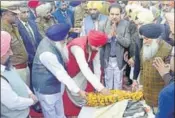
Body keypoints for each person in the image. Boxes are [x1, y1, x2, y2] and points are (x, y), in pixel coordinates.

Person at [32, 23, 86, 118]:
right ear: (60, 40)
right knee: (51, 114)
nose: (65, 42)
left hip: (55, 86)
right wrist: (78, 91)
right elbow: (62, 75)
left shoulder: (50, 39)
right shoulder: (48, 54)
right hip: (46, 90)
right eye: (64, 41)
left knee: (60, 113)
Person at [63, 30, 110, 117]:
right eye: (97, 46)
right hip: (71, 71)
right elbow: (85, 68)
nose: (98, 49)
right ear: (91, 42)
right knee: (74, 92)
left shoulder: (95, 45)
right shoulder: (78, 48)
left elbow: (97, 68)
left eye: (100, 47)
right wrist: (101, 88)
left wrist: (98, 86)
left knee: (83, 91)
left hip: (81, 71)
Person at [132, 24, 172, 113]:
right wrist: (140, 84)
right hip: (146, 94)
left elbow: (170, 78)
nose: (144, 42)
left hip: (160, 97)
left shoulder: (168, 50)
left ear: (157, 39)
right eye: (143, 38)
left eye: (147, 39)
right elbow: (142, 68)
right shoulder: (145, 47)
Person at [1, 31, 38, 118]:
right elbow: (13, 103)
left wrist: (29, 93)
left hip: (25, 113)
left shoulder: (7, 65)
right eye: (7, 51)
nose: (11, 53)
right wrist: (31, 101)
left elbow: (19, 81)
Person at [99, 3, 131, 89]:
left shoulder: (126, 24)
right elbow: (99, 44)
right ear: (108, 14)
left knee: (118, 83)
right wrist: (109, 37)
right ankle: (109, 101)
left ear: (121, 14)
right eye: (112, 14)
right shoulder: (102, 24)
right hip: (107, 58)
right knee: (108, 81)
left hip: (119, 58)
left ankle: (118, 101)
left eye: (117, 14)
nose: (114, 16)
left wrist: (116, 35)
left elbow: (127, 43)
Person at [1, 4, 30, 86]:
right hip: (15, 69)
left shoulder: (14, 26)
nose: (16, 16)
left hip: (24, 66)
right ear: (4, 15)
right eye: (13, 14)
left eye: (17, 14)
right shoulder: (2, 32)